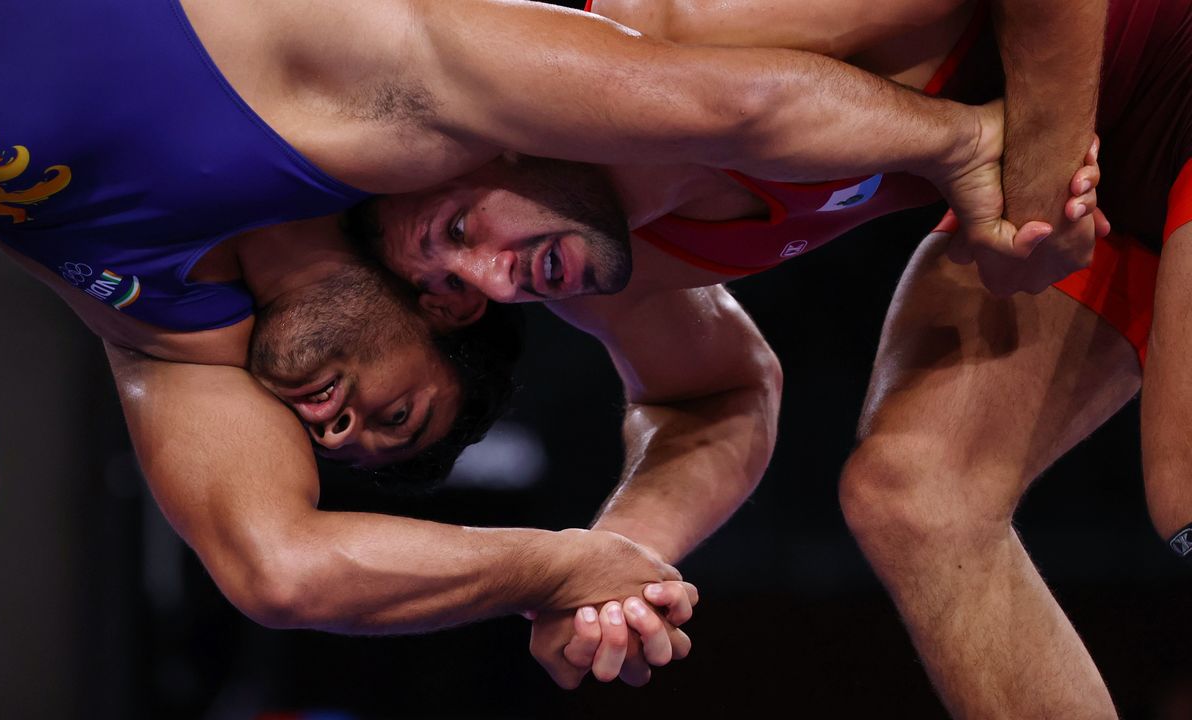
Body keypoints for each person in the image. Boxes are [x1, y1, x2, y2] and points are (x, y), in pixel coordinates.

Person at [0, 0, 1091, 712]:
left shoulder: (176, 337)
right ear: (440, 306)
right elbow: (725, 106)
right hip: (1046, 116)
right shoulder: (406, 94)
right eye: (395, 419)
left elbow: (280, 571)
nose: (333, 431)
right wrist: (975, 147)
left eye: (344, 442)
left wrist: (584, 561)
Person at [355, 0, 1187, 712]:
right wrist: (608, 561)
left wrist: (1038, 189)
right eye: (453, 288)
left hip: (1147, 87)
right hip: (1090, 181)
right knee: (916, 494)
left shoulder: (693, 24)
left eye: (460, 230)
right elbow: (711, 396)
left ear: (491, 133)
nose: (497, 284)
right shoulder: (585, 261)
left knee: (1183, 489)